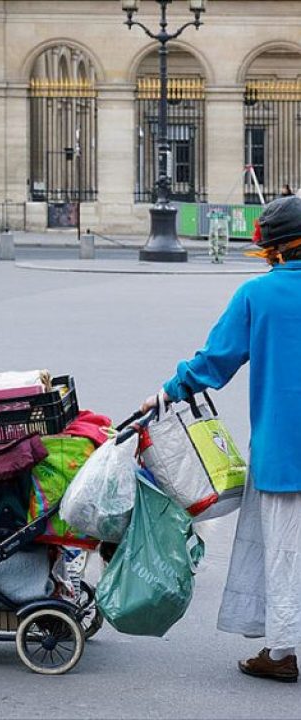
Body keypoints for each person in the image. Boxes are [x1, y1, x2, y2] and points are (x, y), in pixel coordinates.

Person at [141, 195, 301, 683]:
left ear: (273, 250)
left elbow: (214, 363)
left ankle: (280, 654)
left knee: (285, 554)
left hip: (284, 453)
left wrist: (166, 394)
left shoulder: (257, 295)